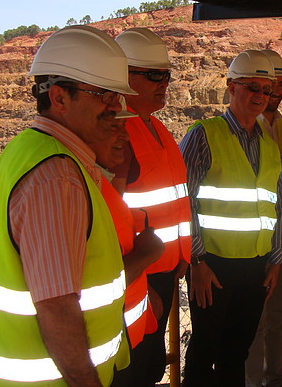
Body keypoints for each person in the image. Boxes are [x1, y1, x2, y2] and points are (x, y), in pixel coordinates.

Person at [0, 25, 133, 386]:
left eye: (117, 96)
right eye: (103, 94)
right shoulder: (57, 177)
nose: (115, 107)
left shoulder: (28, 150)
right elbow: (57, 308)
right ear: (59, 97)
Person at [180, 50, 282, 387]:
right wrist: (196, 262)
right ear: (230, 87)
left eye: (266, 90)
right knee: (204, 352)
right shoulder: (203, 135)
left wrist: (276, 261)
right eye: (251, 87)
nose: (260, 96)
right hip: (213, 266)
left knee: (236, 353)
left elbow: (278, 206)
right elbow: (183, 202)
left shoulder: (269, 145)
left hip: (255, 266)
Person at [111, 28, 192, 386]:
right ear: (123, 76)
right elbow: (114, 220)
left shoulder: (157, 127)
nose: (164, 83)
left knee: (151, 361)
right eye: (154, 75)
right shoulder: (117, 134)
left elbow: (176, 201)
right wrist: (141, 280)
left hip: (166, 269)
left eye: (167, 76)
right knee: (135, 366)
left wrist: (183, 255)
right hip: (138, 275)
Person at [87, 104, 166, 386]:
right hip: (97, 348)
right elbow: (84, 286)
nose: (124, 135)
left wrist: (147, 287)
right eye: (112, 125)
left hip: (122, 336)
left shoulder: (101, 185)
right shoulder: (78, 190)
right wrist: (148, 254)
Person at [246, 50, 282, 387]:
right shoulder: (245, 130)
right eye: (269, 84)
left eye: (280, 84)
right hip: (253, 244)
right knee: (253, 322)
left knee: (280, 317)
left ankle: (275, 378)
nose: (276, 90)